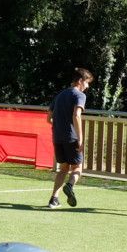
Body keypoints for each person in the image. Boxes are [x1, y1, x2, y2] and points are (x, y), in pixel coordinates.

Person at [46, 68, 93, 208]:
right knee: (78, 168)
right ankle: (70, 185)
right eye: (87, 83)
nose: (87, 86)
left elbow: (49, 118)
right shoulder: (79, 95)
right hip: (71, 137)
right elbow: (76, 116)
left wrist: (59, 126)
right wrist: (80, 138)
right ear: (80, 81)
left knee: (64, 168)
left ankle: (54, 199)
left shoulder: (60, 95)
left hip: (57, 137)